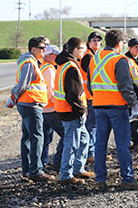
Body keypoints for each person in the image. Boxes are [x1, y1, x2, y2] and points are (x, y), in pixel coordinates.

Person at [88, 29, 138, 190]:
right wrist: (134, 104)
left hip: (99, 106)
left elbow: (91, 85)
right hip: (117, 107)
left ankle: (100, 180)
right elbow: (125, 86)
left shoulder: (94, 59)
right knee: (122, 144)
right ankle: (127, 178)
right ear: (119, 43)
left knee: (100, 144)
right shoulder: (120, 60)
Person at [6, 36, 55, 182]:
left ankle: (28, 170)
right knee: (37, 138)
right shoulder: (29, 63)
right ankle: (36, 171)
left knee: (28, 137)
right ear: (33, 49)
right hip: (31, 104)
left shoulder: (32, 62)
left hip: (29, 104)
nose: (44, 50)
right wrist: (13, 98)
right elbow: (22, 85)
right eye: (42, 48)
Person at [54, 37, 94, 185]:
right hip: (71, 112)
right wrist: (81, 111)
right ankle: (66, 175)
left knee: (84, 139)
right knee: (72, 144)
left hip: (67, 110)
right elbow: (73, 94)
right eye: (83, 49)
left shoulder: (64, 65)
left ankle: (78, 168)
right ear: (76, 50)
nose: (84, 52)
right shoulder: (70, 67)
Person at [40, 44, 65, 170]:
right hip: (50, 109)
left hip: (43, 109)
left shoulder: (43, 67)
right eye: (55, 55)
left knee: (44, 138)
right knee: (66, 133)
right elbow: (51, 92)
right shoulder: (49, 70)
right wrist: (60, 105)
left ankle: (42, 163)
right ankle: (58, 161)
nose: (57, 58)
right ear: (49, 56)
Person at [80, 31, 103, 163]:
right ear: (88, 43)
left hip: (95, 95)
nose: (96, 42)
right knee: (92, 126)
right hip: (89, 96)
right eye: (93, 40)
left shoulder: (95, 55)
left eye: (98, 40)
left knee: (95, 125)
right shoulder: (88, 57)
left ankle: (93, 151)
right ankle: (90, 153)